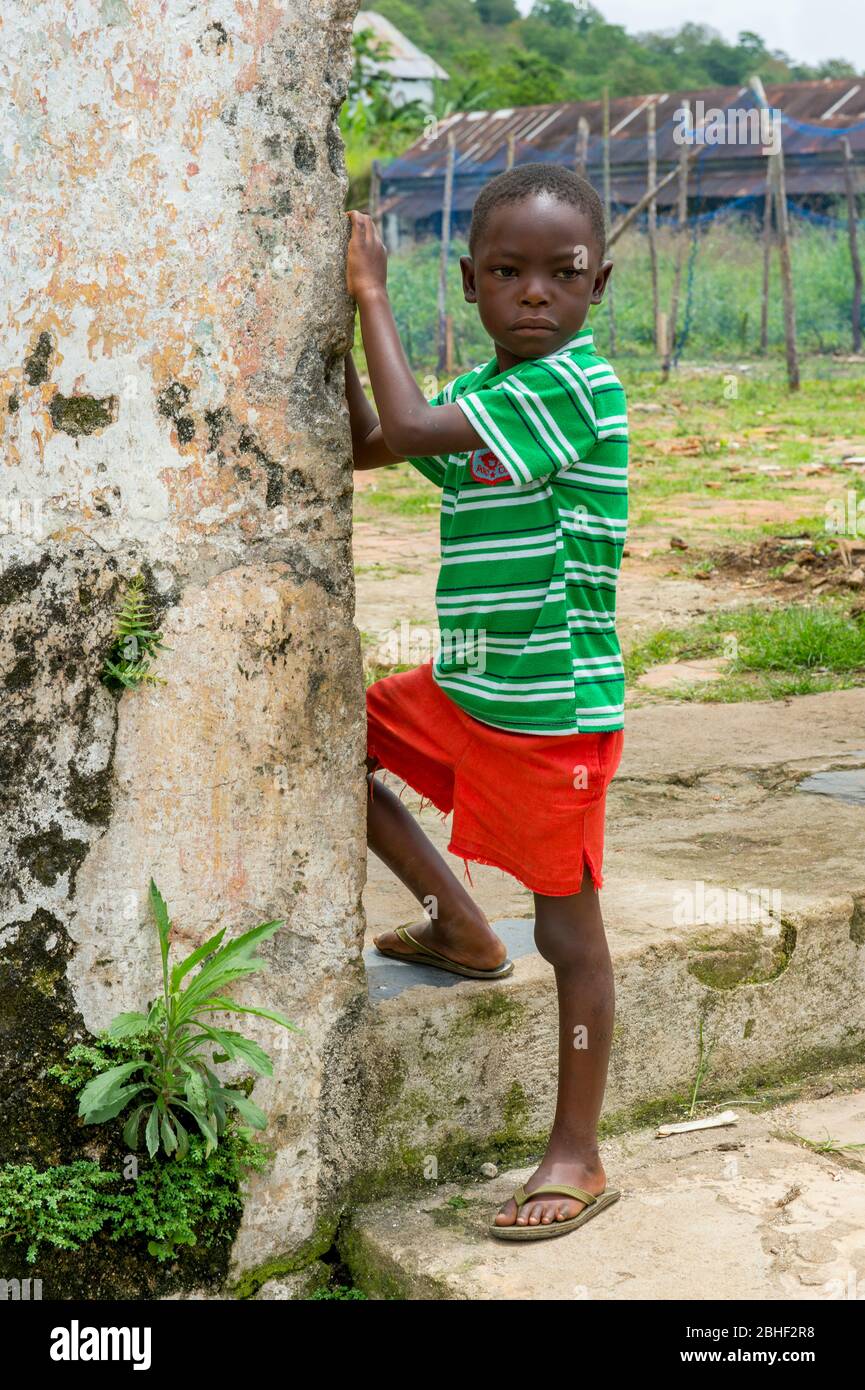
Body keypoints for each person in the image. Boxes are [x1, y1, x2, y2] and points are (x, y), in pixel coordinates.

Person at [344, 163, 628, 1240]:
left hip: (551, 707)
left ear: (597, 284)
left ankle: (577, 1151)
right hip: (465, 683)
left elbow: (406, 429)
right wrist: (331, 331)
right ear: (469, 283)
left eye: (560, 275)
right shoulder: (496, 397)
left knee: (571, 937)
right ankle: (457, 924)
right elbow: (377, 441)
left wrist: (369, 295)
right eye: (507, 273)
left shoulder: (577, 385)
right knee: (329, 737)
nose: (535, 295)